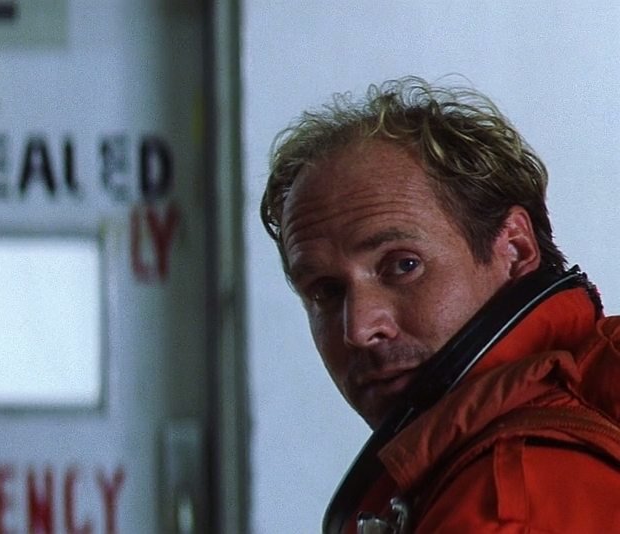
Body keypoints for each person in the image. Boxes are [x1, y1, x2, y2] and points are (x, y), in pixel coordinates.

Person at [260, 77, 620, 532]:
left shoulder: (510, 501)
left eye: (403, 265)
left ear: (515, 250)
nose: (359, 329)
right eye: (326, 291)